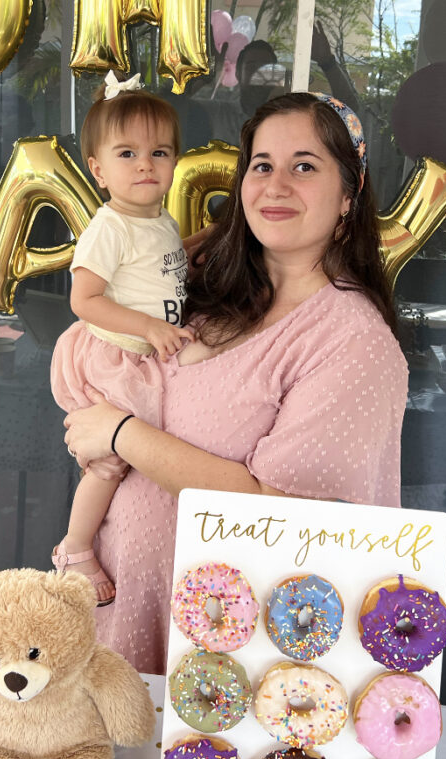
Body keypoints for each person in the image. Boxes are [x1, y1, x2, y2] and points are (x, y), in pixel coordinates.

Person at [61, 91, 408, 673]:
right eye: (262, 165)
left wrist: (118, 434)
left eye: (305, 166)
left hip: (224, 658)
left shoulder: (353, 343)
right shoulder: (210, 284)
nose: (275, 186)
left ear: (349, 194)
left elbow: (282, 515)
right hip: (122, 610)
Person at [50, 73, 195, 606]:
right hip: (117, 354)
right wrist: (149, 327)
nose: (144, 165)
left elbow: (159, 275)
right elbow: (84, 301)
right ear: (97, 168)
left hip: (148, 351)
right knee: (112, 458)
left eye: (159, 152)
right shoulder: (110, 226)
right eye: (127, 153)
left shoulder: (159, 219)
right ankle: (75, 546)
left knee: (150, 449)